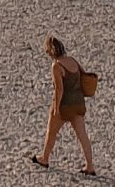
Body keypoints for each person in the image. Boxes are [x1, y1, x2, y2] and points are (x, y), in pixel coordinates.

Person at [33, 36, 96, 174]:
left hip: (65, 105)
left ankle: (44, 158)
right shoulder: (72, 60)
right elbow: (83, 74)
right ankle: (90, 166)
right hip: (78, 103)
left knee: (51, 132)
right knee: (82, 135)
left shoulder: (57, 66)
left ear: (51, 51)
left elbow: (59, 89)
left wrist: (56, 108)